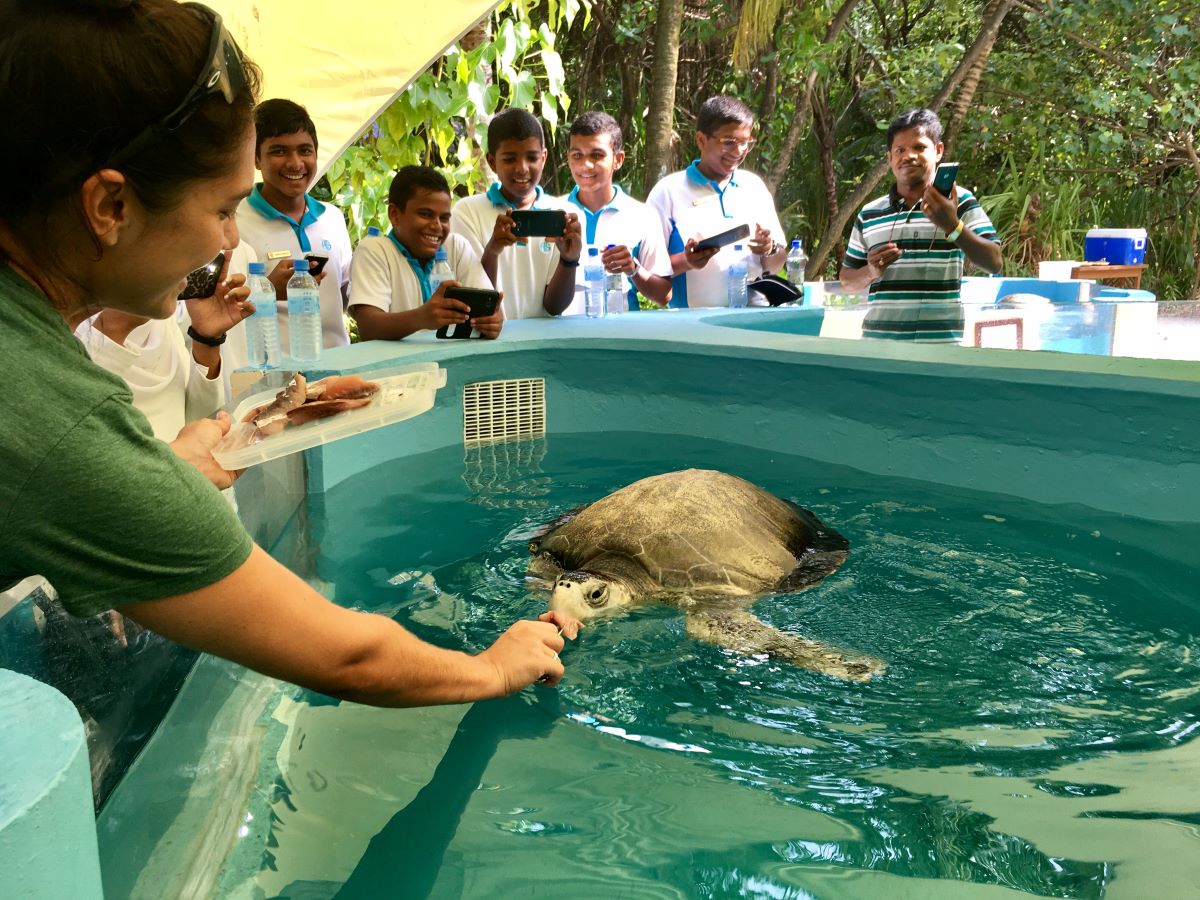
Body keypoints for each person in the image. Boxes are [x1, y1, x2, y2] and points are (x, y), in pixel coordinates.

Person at [0, 0, 576, 708]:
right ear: (109, 208)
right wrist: (492, 668)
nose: (228, 243)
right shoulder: (52, 416)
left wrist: (160, 472)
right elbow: (347, 656)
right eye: (223, 210)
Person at [839, 108, 1002, 342]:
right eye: (900, 150)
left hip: (939, 349)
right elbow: (847, 282)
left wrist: (952, 225)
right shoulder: (870, 213)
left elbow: (994, 262)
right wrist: (871, 271)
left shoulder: (959, 202)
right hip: (878, 347)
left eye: (919, 147)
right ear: (890, 158)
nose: (909, 156)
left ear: (938, 151)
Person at [75, 253, 253, 441]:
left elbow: (197, 422)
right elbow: (83, 433)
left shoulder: (161, 317)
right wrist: (115, 327)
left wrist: (206, 339)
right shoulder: (71, 320)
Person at [646, 95, 788, 308]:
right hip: (692, 322)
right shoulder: (668, 191)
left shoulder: (754, 186)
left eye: (745, 143)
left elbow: (776, 263)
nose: (739, 151)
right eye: (729, 142)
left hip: (754, 317)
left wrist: (770, 248)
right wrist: (687, 262)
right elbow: (649, 269)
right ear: (701, 140)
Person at [236, 98, 352, 351]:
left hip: (339, 366)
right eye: (279, 151)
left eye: (305, 150)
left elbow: (345, 295)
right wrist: (268, 289)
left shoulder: (332, 218)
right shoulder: (234, 222)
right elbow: (215, 310)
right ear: (256, 159)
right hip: (272, 372)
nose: (295, 163)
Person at [449, 108, 583, 319]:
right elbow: (478, 302)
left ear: (543, 158)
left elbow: (554, 307)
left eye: (532, 157)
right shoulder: (466, 212)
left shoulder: (565, 216)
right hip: (492, 338)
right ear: (492, 162)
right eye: (510, 159)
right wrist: (493, 250)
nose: (522, 168)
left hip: (545, 339)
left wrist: (569, 260)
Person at [349, 166, 503, 340]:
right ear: (394, 214)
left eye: (444, 218)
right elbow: (368, 327)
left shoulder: (456, 246)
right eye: (425, 214)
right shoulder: (375, 250)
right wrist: (421, 318)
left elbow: (489, 311)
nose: (437, 226)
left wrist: (491, 321)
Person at [561, 111, 672, 311]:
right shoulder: (556, 212)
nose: (586, 165)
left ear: (618, 159)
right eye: (577, 155)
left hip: (622, 330)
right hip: (561, 330)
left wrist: (633, 269)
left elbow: (664, 295)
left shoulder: (642, 215)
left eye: (597, 155)